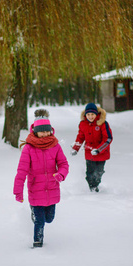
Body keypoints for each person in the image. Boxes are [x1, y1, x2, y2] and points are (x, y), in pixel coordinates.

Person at [14, 109, 69, 248]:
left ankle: (37, 217)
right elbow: (21, 172)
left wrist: (61, 174)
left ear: (51, 130)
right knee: (40, 221)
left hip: (52, 189)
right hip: (35, 190)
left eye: (47, 131)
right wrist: (18, 192)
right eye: (41, 131)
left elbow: (63, 164)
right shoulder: (28, 148)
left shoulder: (55, 146)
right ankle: (37, 243)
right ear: (35, 132)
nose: (44, 134)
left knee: (49, 219)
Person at [71, 103, 112, 192]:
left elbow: (108, 138)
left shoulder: (103, 123)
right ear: (85, 115)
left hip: (101, 153)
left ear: (96, 114)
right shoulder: (83, 124)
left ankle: (96, 185)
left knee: (98, 172)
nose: (90, 116)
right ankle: (92, 188)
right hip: (89, 153)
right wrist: (75, 148)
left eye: (92, 114)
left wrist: (98, 149)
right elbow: (80, 137)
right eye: (88, 114)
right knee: (90, 173)